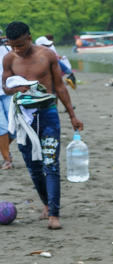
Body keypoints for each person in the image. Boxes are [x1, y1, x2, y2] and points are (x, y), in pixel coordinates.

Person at [1, 21, 83, 229]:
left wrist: (72, 115)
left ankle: (54, 214)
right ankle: (46, 204)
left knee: (51, 163)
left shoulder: (47, 55)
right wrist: (16, 88)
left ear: (29, 37)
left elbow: (60, 86)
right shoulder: (9, 58)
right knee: (34, 167)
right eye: (13, 45)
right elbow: (6, 86)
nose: (17, 49)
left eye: (20, 44)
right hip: (23, 119)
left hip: (48, 114)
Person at [0, 32, 12, 169]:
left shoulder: (9, 50)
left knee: (13, 128)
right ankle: (7, 159)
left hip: (8, 92)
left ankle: (4, 151)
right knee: (2, 127)